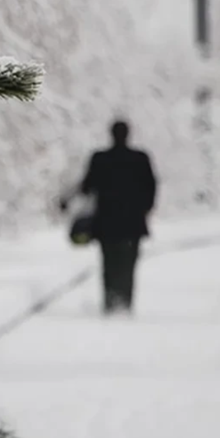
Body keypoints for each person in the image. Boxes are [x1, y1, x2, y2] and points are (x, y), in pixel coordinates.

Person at [60, 120, 157, 314]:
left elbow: (86, 186)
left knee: (109, 263)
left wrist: (67, 200)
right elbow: (151, 187)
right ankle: (125, 303)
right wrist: (144, 209)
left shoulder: (100, 159)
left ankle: (111, 302)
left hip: (107, 224)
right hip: (132, 223)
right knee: (129, 264)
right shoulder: (139, 158)